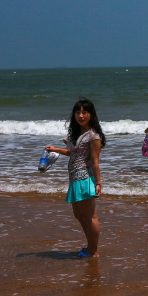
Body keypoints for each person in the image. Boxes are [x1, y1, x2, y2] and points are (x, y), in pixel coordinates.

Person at [44, 98, 106, 258]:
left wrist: (98, 183)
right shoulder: (78, 133)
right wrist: (55, 149)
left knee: (90, 216)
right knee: (79, 215)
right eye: (78, 112)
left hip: (85, 178)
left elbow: (94, 161)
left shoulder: (93, 136)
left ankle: (94, 250)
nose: (81, 115)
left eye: (84, 112)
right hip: (74, 178)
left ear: (91, 114)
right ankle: (90, 246)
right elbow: (72, 153)